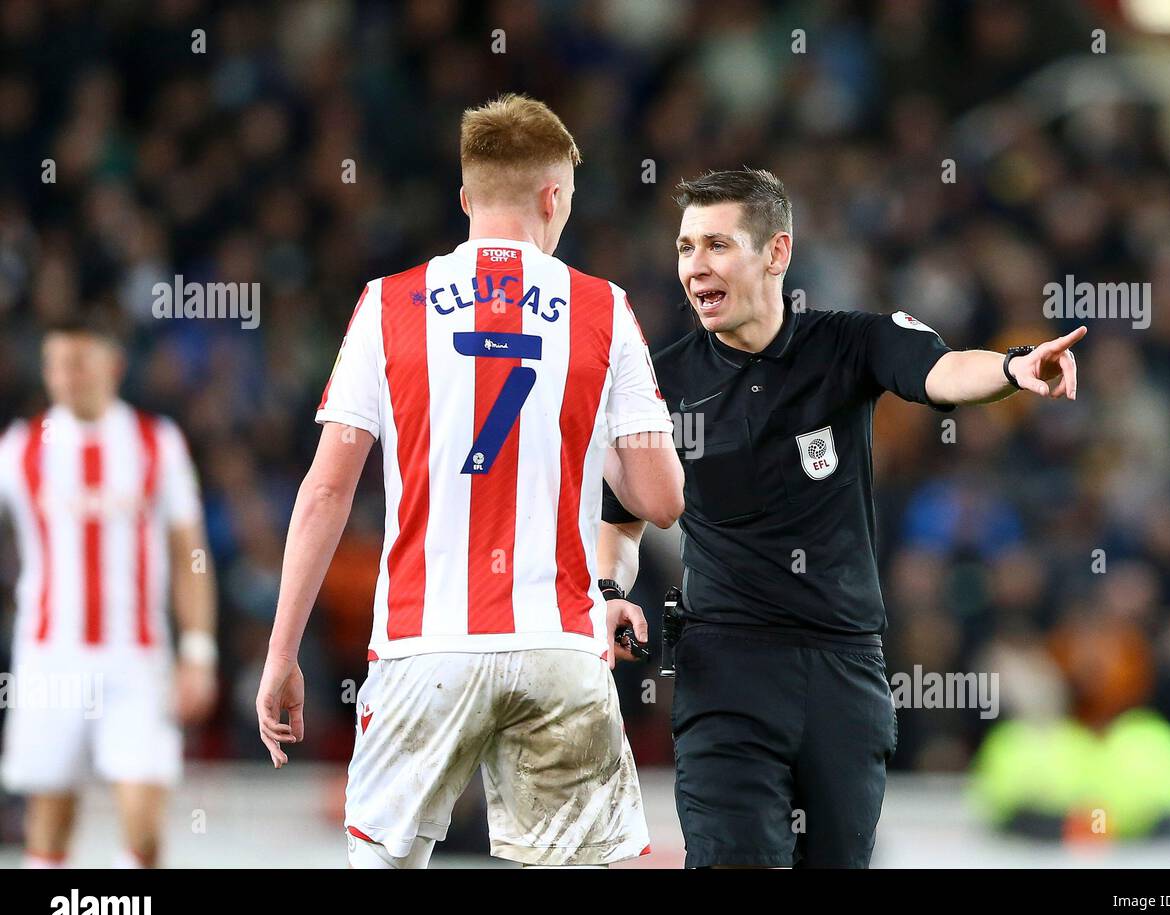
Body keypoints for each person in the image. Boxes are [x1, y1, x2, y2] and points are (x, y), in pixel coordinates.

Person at [599, 167, 1085, 868]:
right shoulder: (657, 382)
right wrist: (611, 591)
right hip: (725, 667)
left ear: (776, 252)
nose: (696, 266)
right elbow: (621, 518)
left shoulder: (850, 344)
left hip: (843, 670)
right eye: (685, 247)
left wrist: (1012, 368)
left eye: (717, 244)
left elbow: (942, 372)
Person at [255, 93, 684, 868]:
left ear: (465, 197)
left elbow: (325, 491)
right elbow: (660, 499)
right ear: (554, 197)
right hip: (559, 641)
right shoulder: (602, 307)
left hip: (425, 644)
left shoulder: (387, 305)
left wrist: (282, 651)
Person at [0, 315, 218, 868]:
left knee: (144, 823)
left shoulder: (156, 442)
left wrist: (197, 650)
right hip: (51, 657)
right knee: (49, 822)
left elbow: (189, 553)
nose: (66, 377)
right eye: (55, 365)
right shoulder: (20, 449)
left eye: (79, 362)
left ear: (112, 366)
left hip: (137, 657)